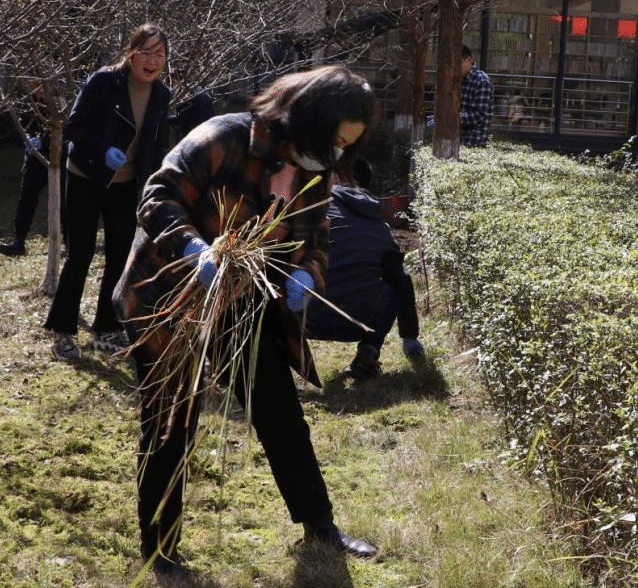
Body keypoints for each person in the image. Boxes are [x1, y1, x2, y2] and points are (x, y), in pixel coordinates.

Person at [113, 67, 379, 580]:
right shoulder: (224, 138)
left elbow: (318, 240)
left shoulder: (315, 169)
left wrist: (306, 273)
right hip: (171, 298)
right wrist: (193, 248)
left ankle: (319, 525)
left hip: (241, 300)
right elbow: (157, 196)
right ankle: (160, 546)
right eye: (336, 139)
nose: (338, 153)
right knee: (172, 421)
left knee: (280, 411)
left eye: (347, 145)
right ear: (309, 120)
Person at [44, 23, 172, 362]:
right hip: (86, 177)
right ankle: (63, 332)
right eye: (146, 52)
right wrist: (102, 151)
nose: (152, 61)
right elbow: (74, 128)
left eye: (160, 54)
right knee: (81, 254)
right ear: (131, 53)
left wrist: (155, 184)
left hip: (126, 185)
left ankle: (106, 327)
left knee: (119, 255)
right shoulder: (104, 82)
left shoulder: (162, 95)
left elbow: (157, 145)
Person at [306, 158, 425, 380]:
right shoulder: (378, 223)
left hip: (303, 319)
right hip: (356, 324)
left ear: (337, 177)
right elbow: (401, 278)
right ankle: (368, 353)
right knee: (394, 283)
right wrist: (410, 338)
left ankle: (275, 355)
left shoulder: (311, 207)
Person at [0, 81, 66, 256]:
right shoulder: (28, 102)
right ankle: (18, 242)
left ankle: (68, 242)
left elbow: (66, 127)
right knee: (27, 198)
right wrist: (29, 140)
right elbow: (23, 125)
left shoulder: (61, 101)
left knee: (65, 201)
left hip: (59, 155)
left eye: (40, 84)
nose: (37, 88)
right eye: (33, 85)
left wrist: (44, 141)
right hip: (35, 159)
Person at [460, 44, 493, 147]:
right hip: (455, 141)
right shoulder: (455, 80)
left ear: (468, 60)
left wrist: (451, 117)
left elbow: (478, 115)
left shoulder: (481, 81)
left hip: (473, 143)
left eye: (457, 63)